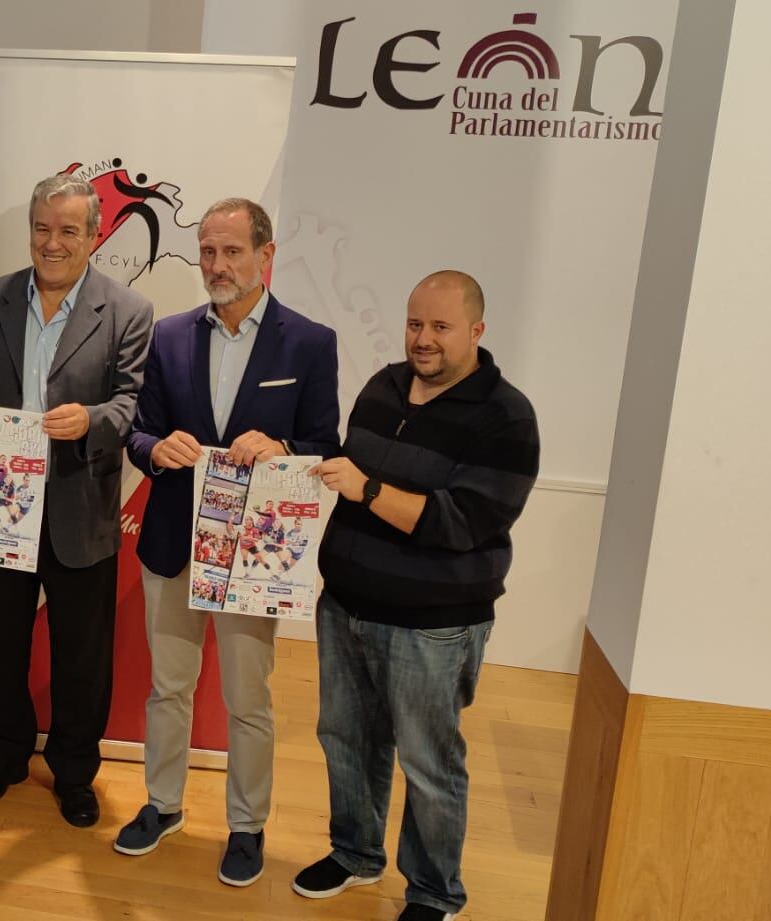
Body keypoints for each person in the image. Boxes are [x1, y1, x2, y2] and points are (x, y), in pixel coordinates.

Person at [293, 270, 539, 921]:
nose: (422, 339)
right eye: (414, 324)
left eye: (440, 326)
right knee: (345, 738)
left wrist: (367, 488)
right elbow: (344, 470)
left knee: (430, 761)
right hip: (344, 605)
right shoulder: (383, 386)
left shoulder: (506, 417)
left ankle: (434, 891)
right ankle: (354, 853)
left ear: (477, 331)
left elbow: (463, 523)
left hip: (433, 625)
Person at [115, 198, 340, 886]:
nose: (216, 264)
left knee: (248, 698)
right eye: (209, 251)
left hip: (254, 555)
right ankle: (163, 804)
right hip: (173, 543)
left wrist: (280, 447)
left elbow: (325, 447)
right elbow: (139, 432)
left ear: (265, 256)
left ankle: (247, 825)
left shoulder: (309, 342)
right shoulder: (172, 333)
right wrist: (159, 447)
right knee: (168, 687)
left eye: (232, 251)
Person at [0, 174, 151, 827]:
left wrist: (92, 421)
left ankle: (75, 773)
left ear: (94, 235)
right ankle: (5, 754)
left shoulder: (128, 311)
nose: (52, 242)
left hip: (80, 502)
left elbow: (132, 405)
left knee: (82, 651)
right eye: (42, 228)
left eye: (68, 230)